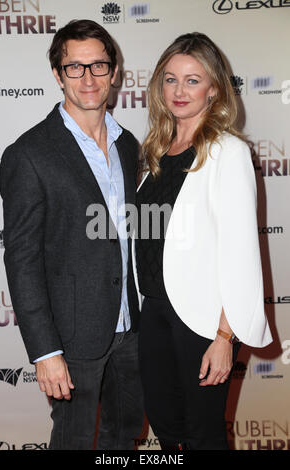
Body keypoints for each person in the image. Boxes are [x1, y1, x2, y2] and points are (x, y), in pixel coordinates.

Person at [0, 19, 143, 450]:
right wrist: (46, 352)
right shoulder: (29, 153)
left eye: (98, 65)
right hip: (71, 336)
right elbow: (21, 259)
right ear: (58, 75)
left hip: (130, 327)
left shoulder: (128, 144)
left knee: (124, 436)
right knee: (75, 440)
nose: (88, 78)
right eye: (74, 67)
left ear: (114, 72)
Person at [135, 32, 272, 451]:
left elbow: (240, 253)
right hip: (154, 310)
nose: (179, 91)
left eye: (193, 80)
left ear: (214, 89)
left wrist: (224, 338)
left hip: (201, 320)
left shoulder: (226, 151)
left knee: (203, 435)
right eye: (171, 79)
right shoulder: (157, 150)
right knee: (166, 427)